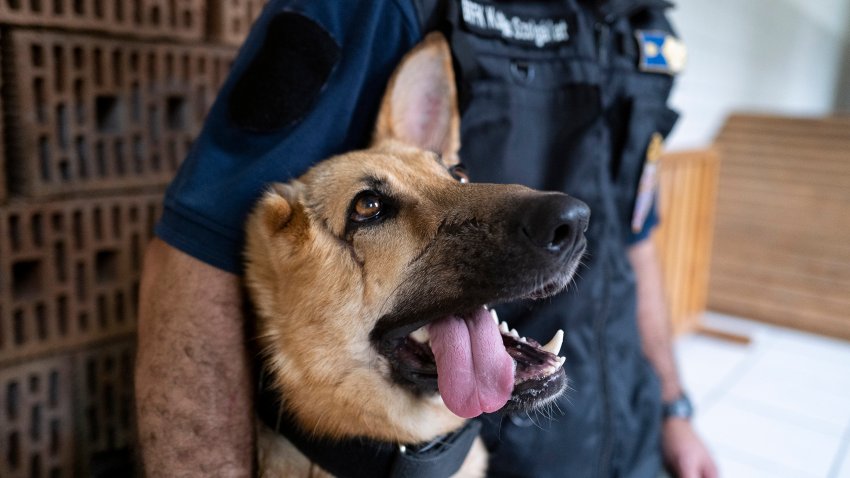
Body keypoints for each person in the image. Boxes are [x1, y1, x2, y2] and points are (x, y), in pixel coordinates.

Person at [134, 0, 717, 476]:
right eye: (374, 208)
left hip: (634, 443)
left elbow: (633, 240)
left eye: (453, 174)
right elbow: (196, 254)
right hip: (500, 452)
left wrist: (674, 408)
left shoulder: (648, 24)